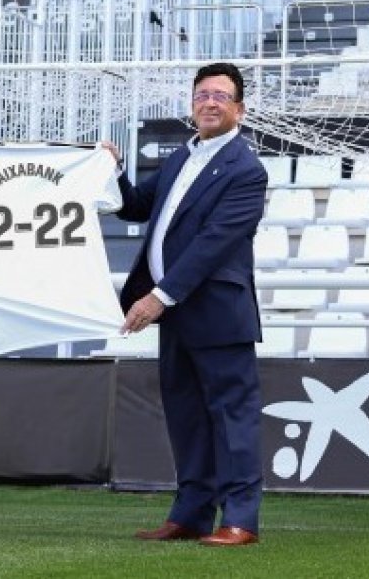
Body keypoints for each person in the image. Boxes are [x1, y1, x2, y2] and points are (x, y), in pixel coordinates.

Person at [107, 61, 267, 547]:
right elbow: (135, 206)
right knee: (186, 416)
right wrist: (111, 170)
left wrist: (159, 296)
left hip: (217, 313)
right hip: (176, 313)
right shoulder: (181, 158)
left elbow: (212, 244)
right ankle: (192, 514)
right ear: (191, 103)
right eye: (202, 95)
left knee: (233, 418)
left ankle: (241, 519)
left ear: (239, 109)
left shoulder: (246, 170)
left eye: (221, 96)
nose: (210, 103)